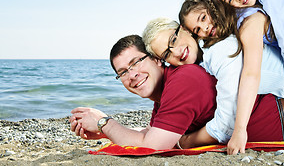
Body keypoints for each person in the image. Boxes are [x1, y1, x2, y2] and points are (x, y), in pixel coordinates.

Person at [142, 17, 284, 155]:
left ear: (183, 30)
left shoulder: (217, 52)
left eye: (173, 41)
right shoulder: (200, 62)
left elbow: (227, 113)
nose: (177, 51)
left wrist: (188, 141)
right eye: (167, 53)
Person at [69, 34, 217, 150]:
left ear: (156, 59)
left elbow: (151, 146)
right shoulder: (164, 90)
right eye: (123, 72)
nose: (132, 75)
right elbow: (148, 133)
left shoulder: (183, 80)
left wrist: (104, 123)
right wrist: (103, 131)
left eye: (136, 62)